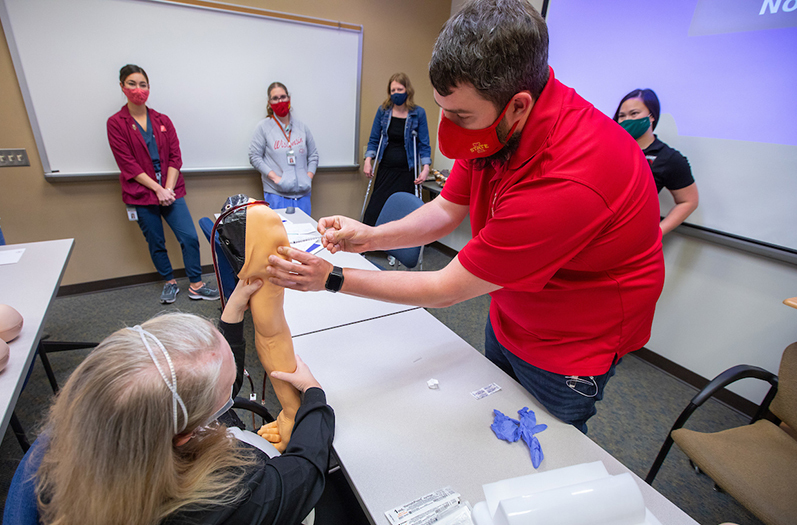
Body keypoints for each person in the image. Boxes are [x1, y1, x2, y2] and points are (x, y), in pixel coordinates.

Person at [264, 0, 665, 434]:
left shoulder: (570, 177)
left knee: (550, 449)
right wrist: (370, 237)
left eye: (459, 115)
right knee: (491, 416)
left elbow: (445, 288)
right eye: (441, 107)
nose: (447, 128)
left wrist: (333, 278)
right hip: (512, 308)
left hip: (570, 342)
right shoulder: (497, 123)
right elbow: (445, 209)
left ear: (518, 105)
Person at [25, 278, 365, 525]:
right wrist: (315, 399)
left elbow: (192, 387)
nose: (229, 397)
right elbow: (303, 473)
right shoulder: (219, 507)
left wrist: (232, 312)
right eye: (223, 399)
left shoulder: (99, 426)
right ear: (188, 435)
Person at [107, 64, 219, 304]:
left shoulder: (162, 120)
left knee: (189, 237)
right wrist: (156, 189)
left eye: (143, 84)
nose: (139, 89)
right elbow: (127, 163)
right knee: (156, 241)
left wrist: (167, 189)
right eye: (132, 84)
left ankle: (196, 285)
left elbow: (176, 158)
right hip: (141, 194)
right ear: (122, 87)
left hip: (171, 190)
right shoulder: (116, 123)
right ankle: (169, 282)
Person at [615, 89, 699, 235]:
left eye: (634, 113)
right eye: (622, 116)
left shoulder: (668, 158)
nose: (627, 119)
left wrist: (657, 233)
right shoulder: (608, 147)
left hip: (626, 234)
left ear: (652, 116)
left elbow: (688, 201)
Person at [362, 73, 431, 226]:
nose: (396, 94)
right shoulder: (383, 111)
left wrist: (425, 168)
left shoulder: (418, 113)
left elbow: (424, 144)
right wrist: (368, 161)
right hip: (386, 168)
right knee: (376, 208)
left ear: (407, 90)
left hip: (407, 171)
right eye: (392, 90)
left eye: (399, 89)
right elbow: (374, 139)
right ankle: (368, 243)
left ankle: (398, 247)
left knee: (402, 211)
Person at [249, 82, 319, 215]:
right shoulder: (263, 128)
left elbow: (313, 155)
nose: (280, 101)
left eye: (283, 97)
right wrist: (275, 178)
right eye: (275, 98)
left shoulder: (302, 127)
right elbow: (254, 157)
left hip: (303, 195)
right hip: (277, 194)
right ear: (269, 103)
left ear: (289, 99)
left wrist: (308, 176)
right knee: (280, 234)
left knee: (304, 233)